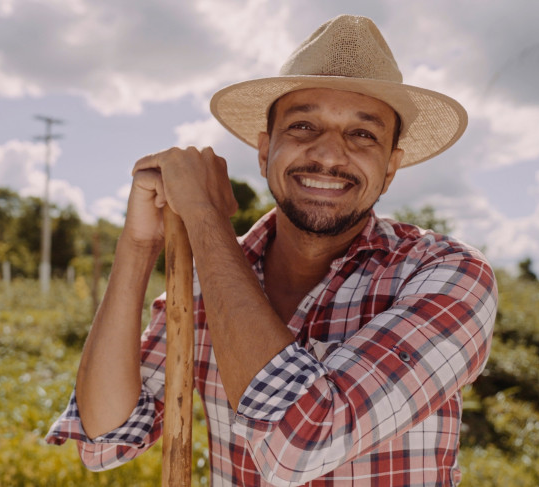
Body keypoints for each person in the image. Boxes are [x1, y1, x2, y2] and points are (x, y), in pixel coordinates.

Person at [46, 14, 497, 486]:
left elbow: (302, 445)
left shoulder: (446, 274)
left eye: (363, 134)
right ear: (265, 151)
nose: (328, 154)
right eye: (303, 126)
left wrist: (204, 217)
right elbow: (105, 437)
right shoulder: (203, 284)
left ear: (390, 168)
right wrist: (139, 246)